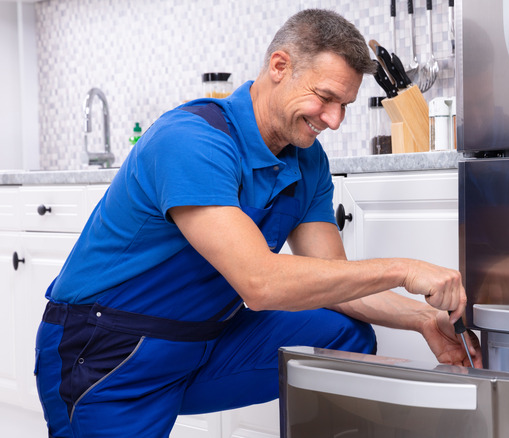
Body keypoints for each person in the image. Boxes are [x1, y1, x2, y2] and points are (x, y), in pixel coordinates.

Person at [35, 9, 481, 438]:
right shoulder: (191, 141)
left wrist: (422, 318)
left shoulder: (307, 162)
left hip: (206, 343)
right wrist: (404, 270)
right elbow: (260, 283)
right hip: (109, 350)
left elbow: (336, 282)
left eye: (344, 104)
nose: (334, 120)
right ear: (279, 66)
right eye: (325, 98)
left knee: (341, 336)